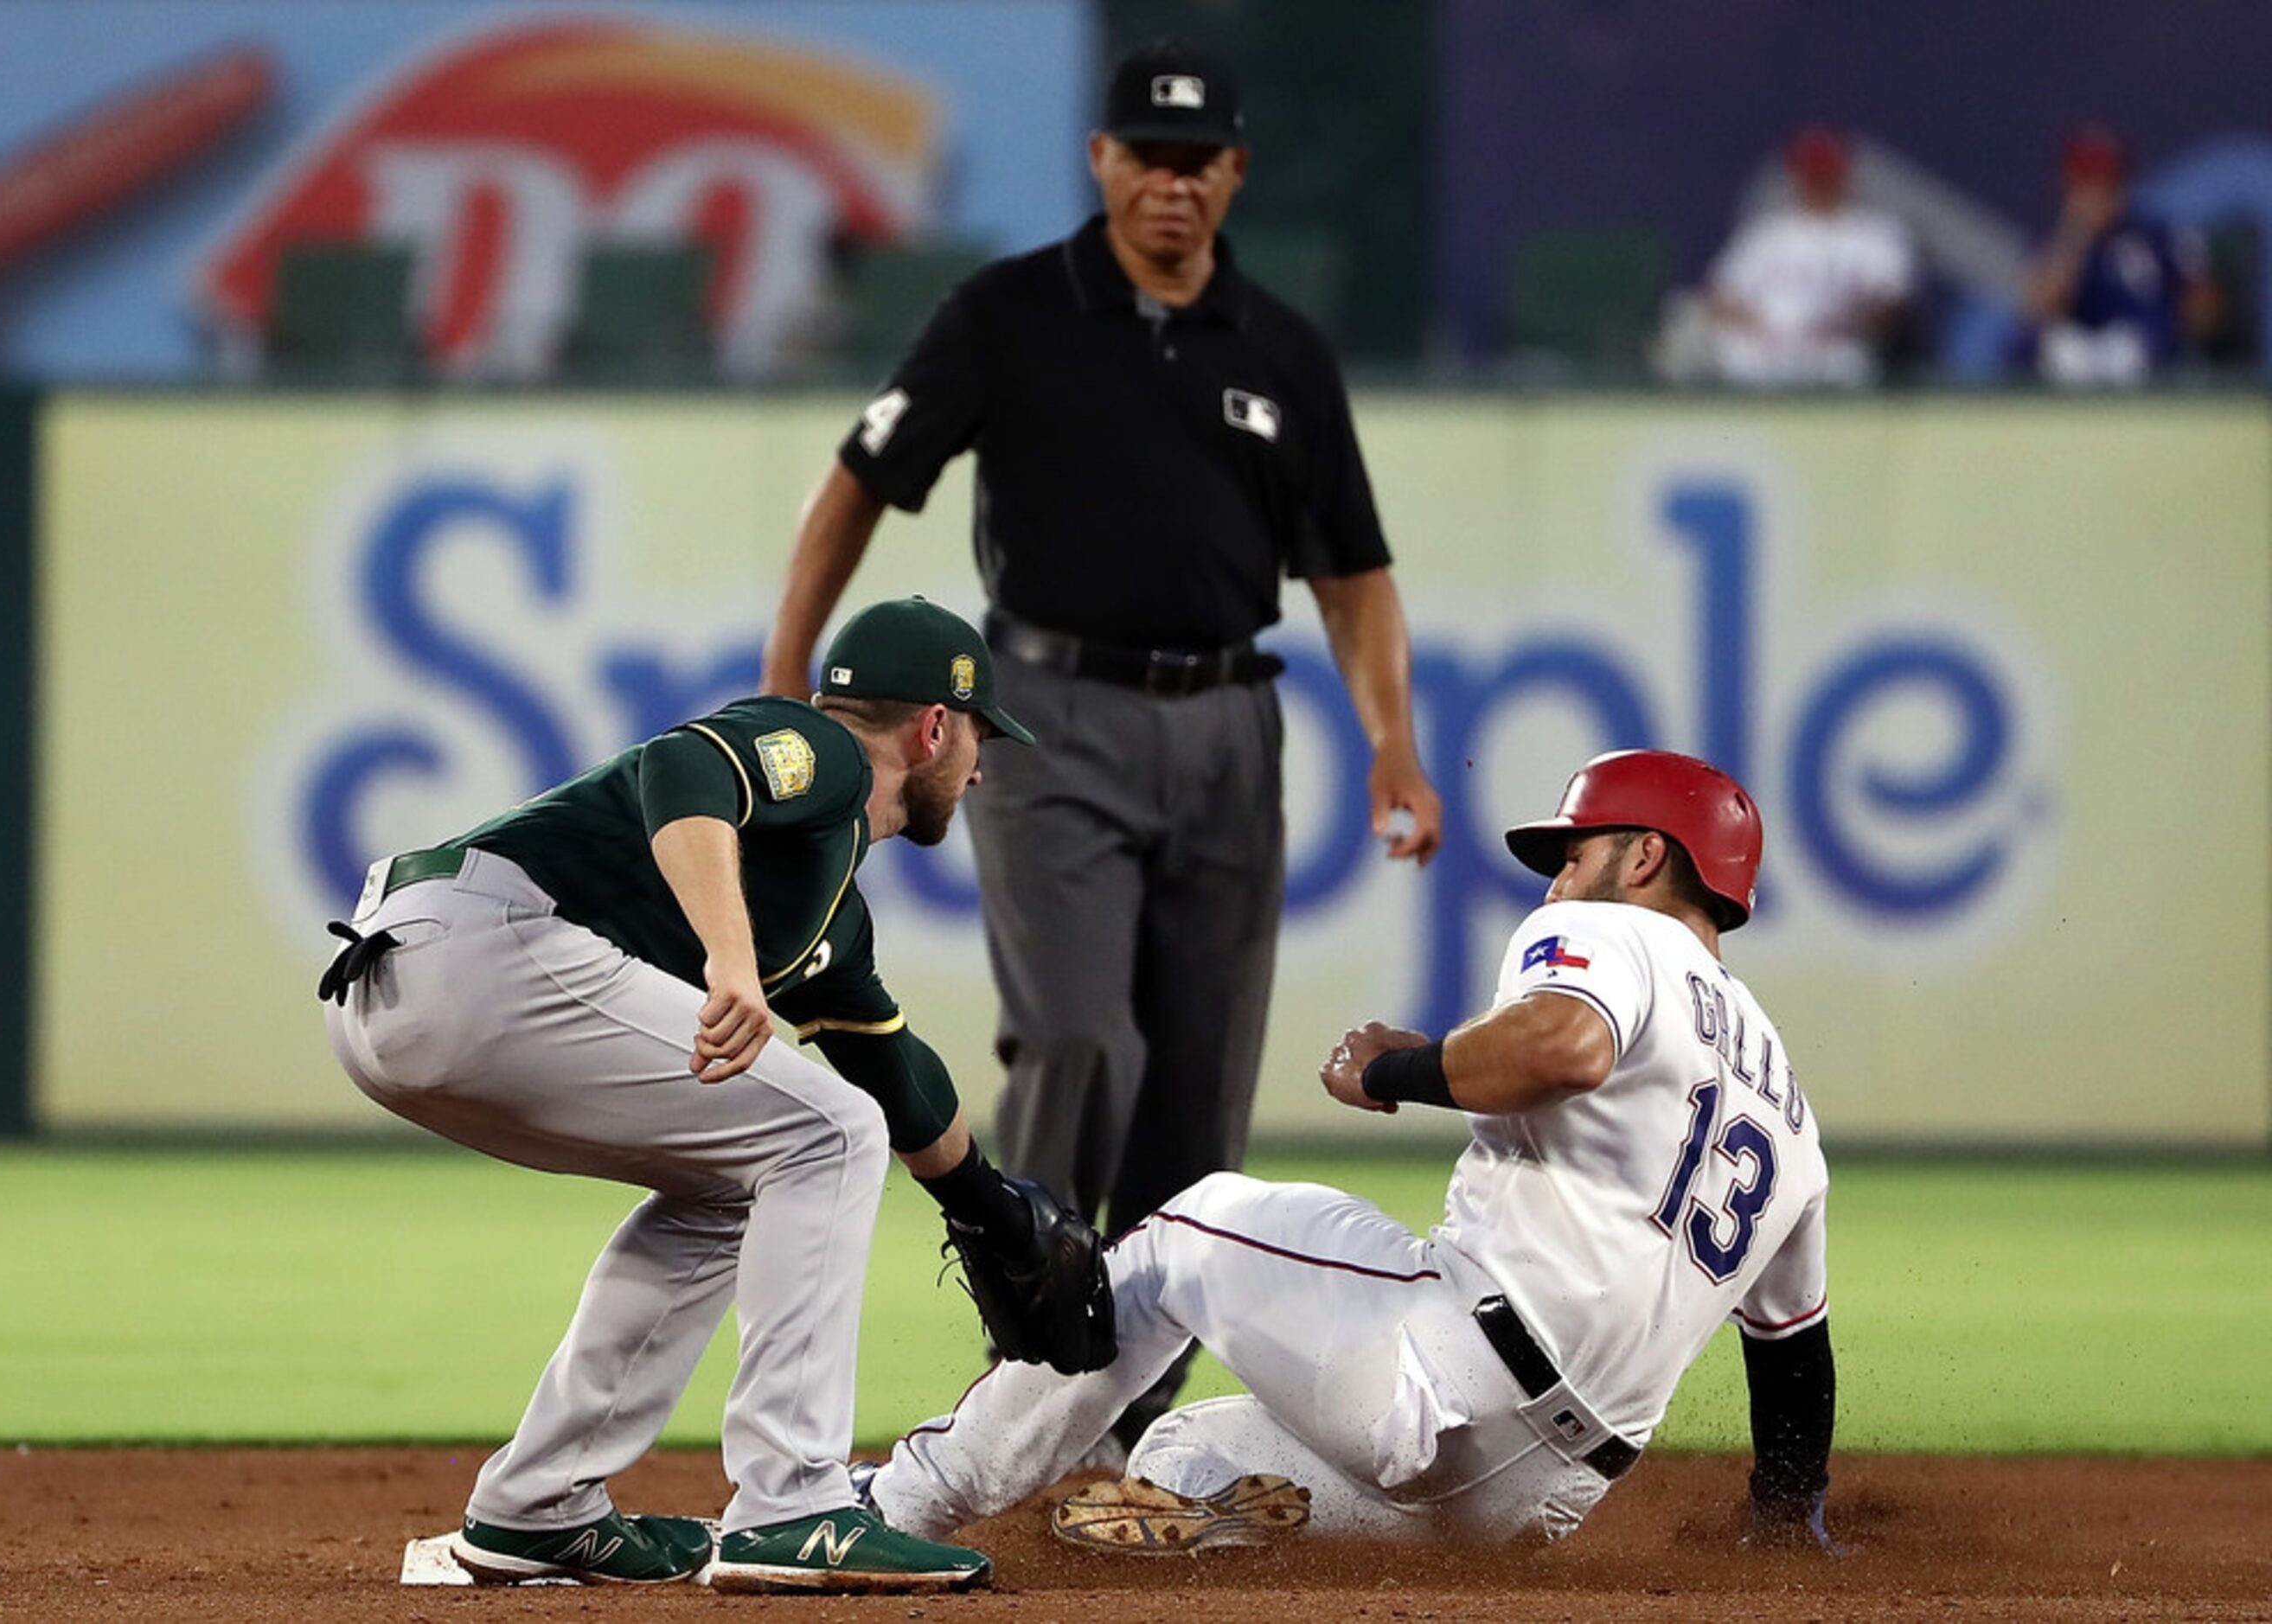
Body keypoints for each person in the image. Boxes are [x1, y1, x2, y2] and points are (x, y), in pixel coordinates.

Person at [760, 38, 1443, 1456]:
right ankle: (1033, 1360)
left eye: (1198, 162)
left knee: (1198, 1090)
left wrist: (1394, 742)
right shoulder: (1007, 315)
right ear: (1102, 162)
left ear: (1234, 172)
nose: (1171, 186)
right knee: (1079, 1038)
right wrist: (789, 671)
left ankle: (1131, 1426)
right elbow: (861, 477)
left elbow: (1355, 574)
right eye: (1147, 155)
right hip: (1049, 716)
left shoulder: (1284, 352)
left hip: (1229, 726)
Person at [854, 751, 1840, 1556]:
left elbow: (1563, 1046)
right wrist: (1782, 1523)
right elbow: (1792, 1356)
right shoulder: (1788, 1114)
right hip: (1530, 1503)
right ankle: (1231, 1536)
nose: (1557, 878)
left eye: (1574, 852)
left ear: (1641, 860)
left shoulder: (1612, 934)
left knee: (1188, 1231)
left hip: (1443, 1381)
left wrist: (1394, 1071)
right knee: (1181, 1455)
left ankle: (900, 1504)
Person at [319, 596, 1058, 1594]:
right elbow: (686, 766)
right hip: (480, 951)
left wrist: (996, 1215)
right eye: (976, 739)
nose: (977, 768)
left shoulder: (825, 904)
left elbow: (898, 1075)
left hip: (410, 990)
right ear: (933, 727)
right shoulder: (821, 751)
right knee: (832, 1137)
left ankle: (537, 1508)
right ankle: (793, 1507)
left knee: (747, 1174)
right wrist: (730, 961)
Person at [1699, 125, 1917, 387]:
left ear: (1843, 175)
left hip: (1837, 349)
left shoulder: (1875, 234)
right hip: (1763, 348)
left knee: (1846, 364)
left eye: (1824, 174)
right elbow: (1721, 297)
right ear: (1796, 177)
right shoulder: (1767, 233)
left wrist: (1840, 327)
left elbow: (1892, 303)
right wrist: (1763, 330)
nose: (1816, 183)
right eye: (1809, 174)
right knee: (1736, 356)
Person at [2023, 125, 2218, 387]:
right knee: (2045, 346)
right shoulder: (2061, 243)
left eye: (2105, 183)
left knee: (2149, 340)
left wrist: (2188, 315)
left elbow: (2206, 310)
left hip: (2148, 358)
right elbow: (2037, 310)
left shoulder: (2158, 235)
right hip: (2081, 363)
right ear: (2068, 186)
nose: (2095, 194)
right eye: (2084, 183)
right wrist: (2076, 233)